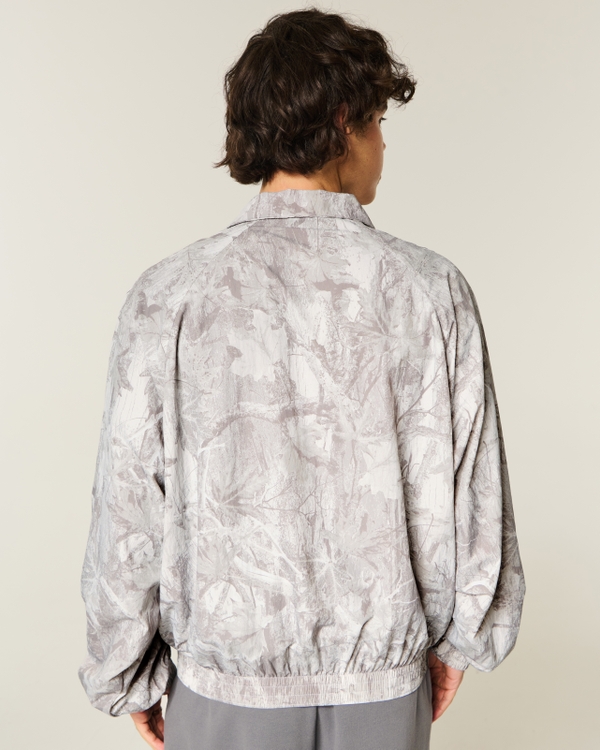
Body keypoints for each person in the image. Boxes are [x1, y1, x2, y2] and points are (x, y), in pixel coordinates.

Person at [78, 7, 526, 750]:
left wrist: (127, 669)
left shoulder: (169, 295)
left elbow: (127, 511)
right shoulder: (430, 290)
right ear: (346, 122)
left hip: (222, 692)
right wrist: (459, 643)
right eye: (379, 121)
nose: (384, 145)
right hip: (383, 690)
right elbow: (473, 495)